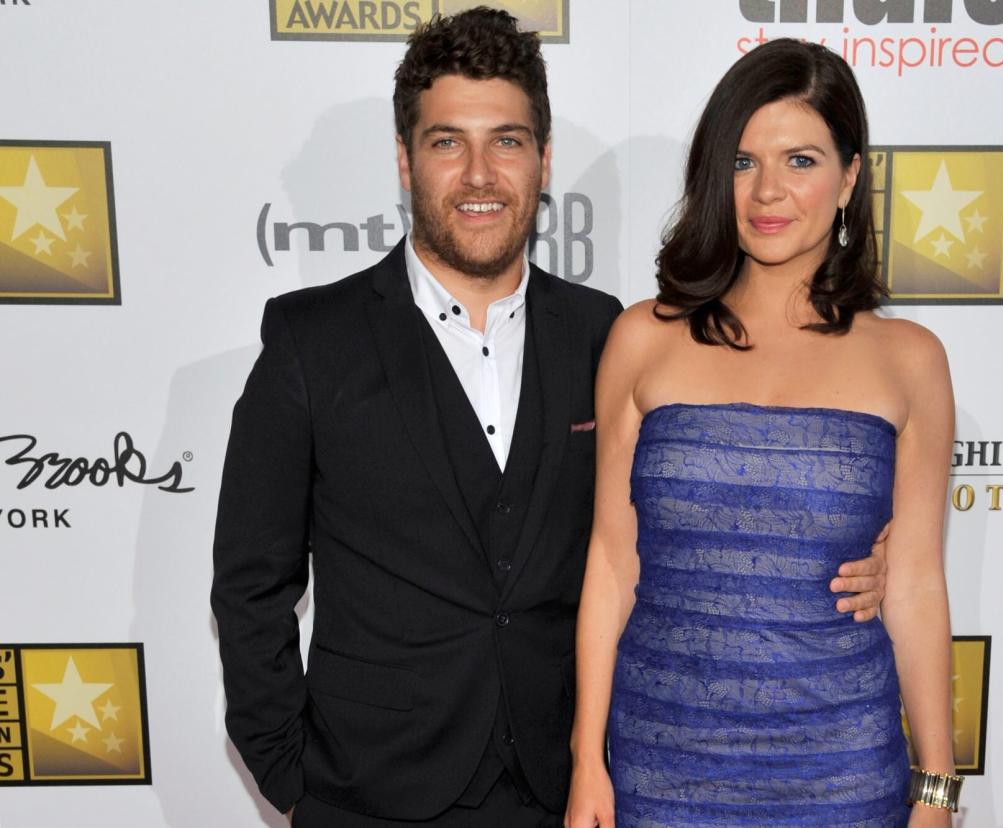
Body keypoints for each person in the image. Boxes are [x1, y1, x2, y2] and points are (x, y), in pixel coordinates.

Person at [211, 10, 889, 828]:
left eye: (506, 140)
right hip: (369, 793)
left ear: (542, 158)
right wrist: (294, 778)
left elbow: (672, 521)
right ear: (404, 159)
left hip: (569, 787)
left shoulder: (606, 332)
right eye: (445, 142)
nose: (478, 174)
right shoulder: (310, 340)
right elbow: (251, 584)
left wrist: (863, 543)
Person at [566, 38, 958, 828]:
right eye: (744, 163)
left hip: (843, 770)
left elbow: (914, 582)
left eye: (801, 161)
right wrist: (587, 765)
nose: (768, 191)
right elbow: (611, 564)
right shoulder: (644, 338)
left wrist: (937, 787)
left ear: (850, 176)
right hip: (662, 765)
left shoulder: (909, 360)